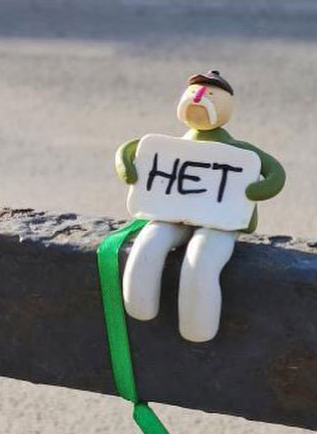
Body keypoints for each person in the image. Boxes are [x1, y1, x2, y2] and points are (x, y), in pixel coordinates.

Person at [116, 70, 285, 342]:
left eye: (209, 95)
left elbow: (275, 172)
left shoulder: (236, 152)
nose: (199, 99)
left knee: (203, 257)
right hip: (171, 211)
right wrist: (127, 167)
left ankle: (198, 328)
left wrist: (259, 188)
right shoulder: (169, 148)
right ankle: (140, 306)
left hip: (220, 219)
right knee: (149, 241)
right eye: (194, 94)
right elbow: (128, 151)